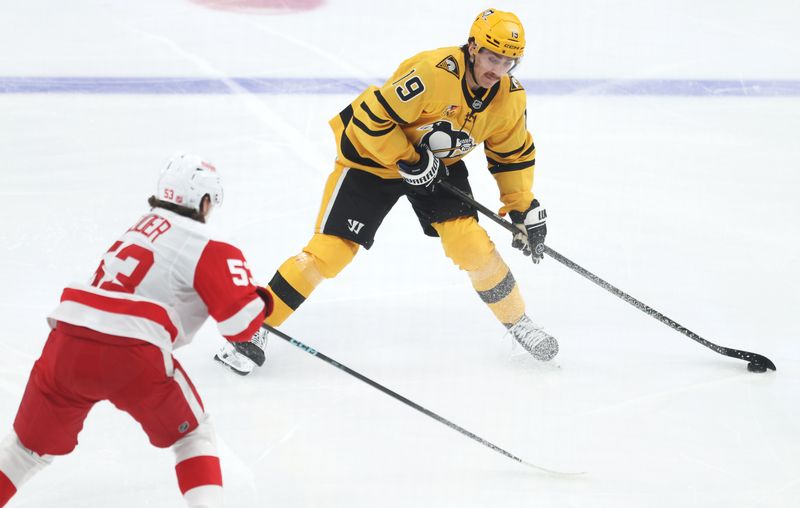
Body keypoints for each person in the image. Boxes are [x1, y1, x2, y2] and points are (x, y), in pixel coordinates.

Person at [215, 8, 557, 376]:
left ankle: (518, 322)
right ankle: (252, 328)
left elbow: (512, 155)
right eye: (493, 57)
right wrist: (409, 159)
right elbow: (369, 118)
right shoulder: (432, 72)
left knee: (470, 245)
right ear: (473, 47)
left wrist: (523, 207)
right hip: (371, 162)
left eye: (509, 61)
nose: (498, 70)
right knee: (330, 253)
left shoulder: (509, 97)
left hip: (437, 168)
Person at [0, 153, 272, 508]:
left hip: (67, 341)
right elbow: (239, 326)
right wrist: (261, 300)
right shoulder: (210, 243)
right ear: (204, 201)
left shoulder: (141, 226)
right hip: (133, 350)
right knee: (193, 436)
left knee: (24, 451)